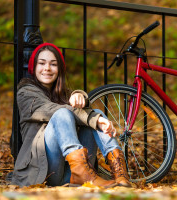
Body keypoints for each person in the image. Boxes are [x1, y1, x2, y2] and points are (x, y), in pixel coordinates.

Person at [11, 43, 130, 188]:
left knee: (96, 114)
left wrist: (80, 96)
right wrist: (94, 118)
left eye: (53, 64)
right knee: (64, 113)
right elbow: (52, 109)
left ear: (59, 69)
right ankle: (81, 171)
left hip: (71, 175)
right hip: (44, 173)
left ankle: (120, 173)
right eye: (41, 63)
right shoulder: (25, 93)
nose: (47, 68)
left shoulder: (65, 94)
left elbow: (86, 116)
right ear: (33, 67)